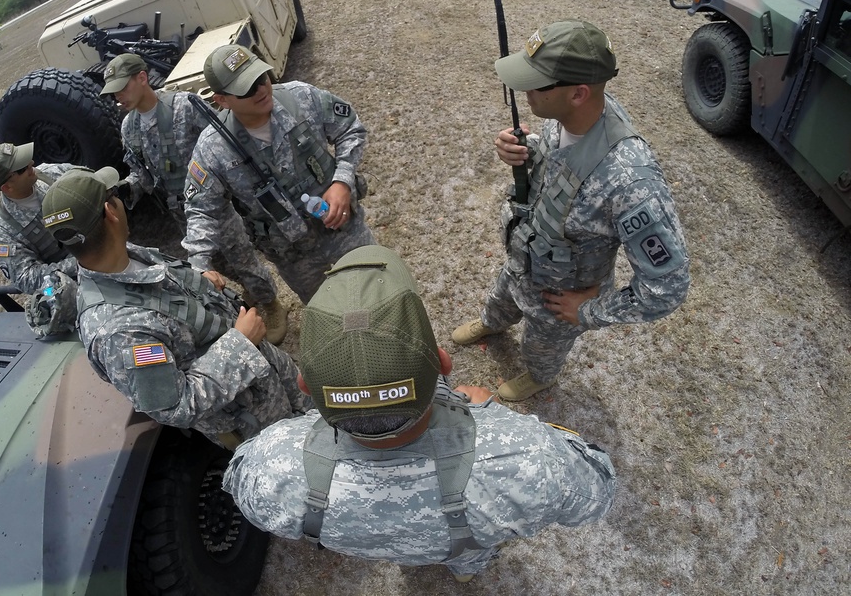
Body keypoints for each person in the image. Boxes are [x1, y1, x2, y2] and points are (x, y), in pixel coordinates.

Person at [223, 245, 616, 583]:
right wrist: (487, 416)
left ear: (304, 386)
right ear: (443, 363)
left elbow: (238, 482)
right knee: (468, 554)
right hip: (462, 538)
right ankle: (464, 570)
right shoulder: (529, 459)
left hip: (361, 540)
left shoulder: (268, 467)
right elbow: (596, 491)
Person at [452, 20, 690, 401]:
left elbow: (667, 287)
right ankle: (491, 324)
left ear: (578, 93)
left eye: (536, 82)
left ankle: (539, 375)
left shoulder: (631, 182)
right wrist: (523, 149)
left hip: (559, 298)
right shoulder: (565, 116)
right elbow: (561, 163)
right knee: (501, 299)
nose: (523, 89)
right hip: (523, 261)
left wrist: (591, 309)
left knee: (541, 349)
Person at [40, 165, 312, 449]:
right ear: (111, 212)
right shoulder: (116, 332)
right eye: (115, 195)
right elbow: (177, 406)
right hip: (258, 420)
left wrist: (197, 283)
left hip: (270, 373)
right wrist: (240, 344)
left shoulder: (127, 256)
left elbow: (164, 300)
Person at [102, 53, 289, 344]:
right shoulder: (130, 128)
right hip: (180, 211)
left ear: (142, 78)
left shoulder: (184, 107)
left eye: (122, 87)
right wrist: (128, 188)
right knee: (212, 263)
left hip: (214, 202)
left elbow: (222, 142)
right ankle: (249, 294)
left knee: (241, 257)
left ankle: (271, 304)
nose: (118, 97)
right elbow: (143, 174)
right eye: (113, 92)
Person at [183, 44, 375, 304]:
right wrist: (199, 263)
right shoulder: (213, 149)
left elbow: (350, 128)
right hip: (296, 257)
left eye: (261, 78)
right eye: (247, 89)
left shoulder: (301, 98)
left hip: (345, 231)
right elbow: (202, 210)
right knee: (330, 313)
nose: (261, 90)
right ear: (222, 100)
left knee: (378, 290)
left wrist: (342, 180)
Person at [0, 140, 76, 295]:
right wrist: (78, 263)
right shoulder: (2, 228)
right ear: (7, 187)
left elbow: (91, 180)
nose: (31, 163)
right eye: (23, 167)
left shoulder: (48, 174)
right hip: (74, 282)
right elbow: (26, 279)